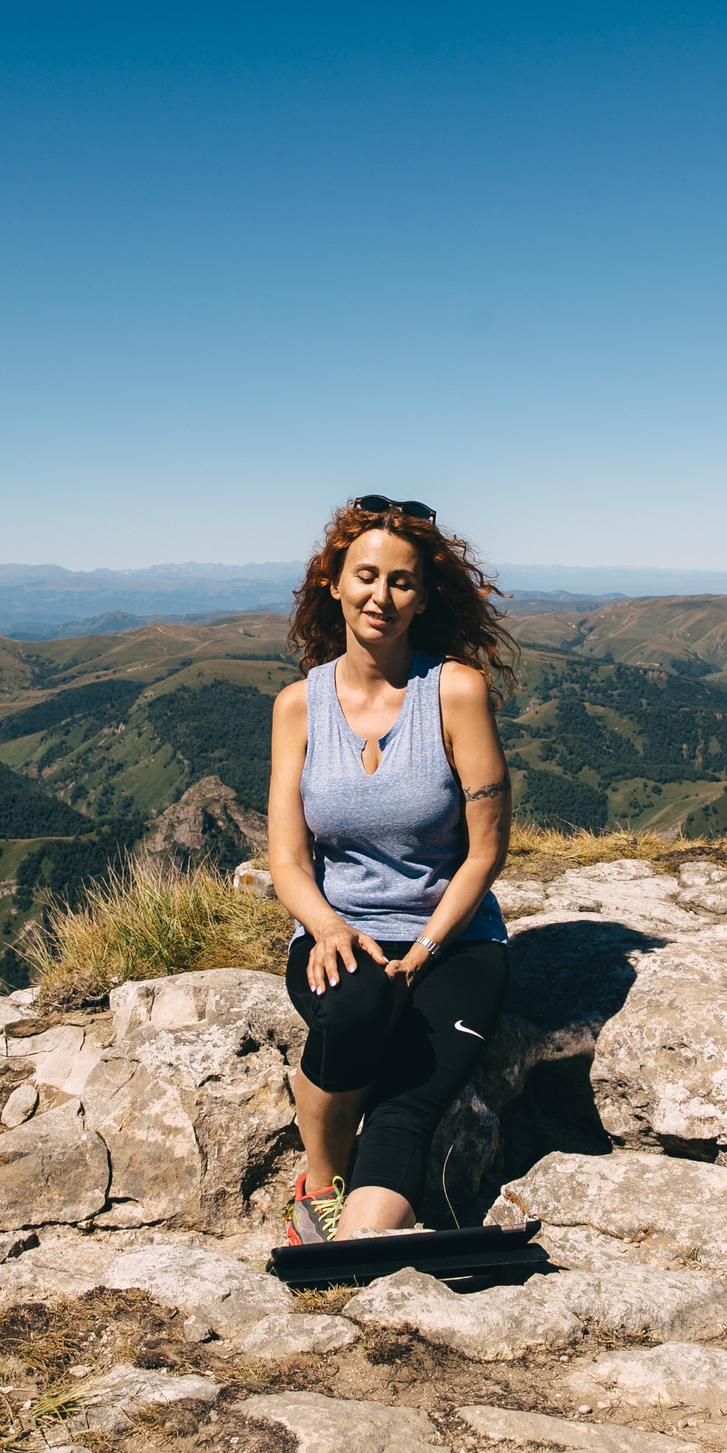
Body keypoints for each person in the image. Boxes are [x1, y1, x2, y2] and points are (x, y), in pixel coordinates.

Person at [267, 494, 517, 1243]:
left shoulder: (456, 691)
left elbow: (486, 851)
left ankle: (353, 1247)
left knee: (407, 1102)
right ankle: (320, 1182)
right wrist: (328, 928)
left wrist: (427, 949)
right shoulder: (297, 707)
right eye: (366, 575)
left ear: (424, 596)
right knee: (357, 1006)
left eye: (402, 581)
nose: (382, 595)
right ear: (334, 584)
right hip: (340, 935)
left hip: (456, 941)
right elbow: (287, 858)